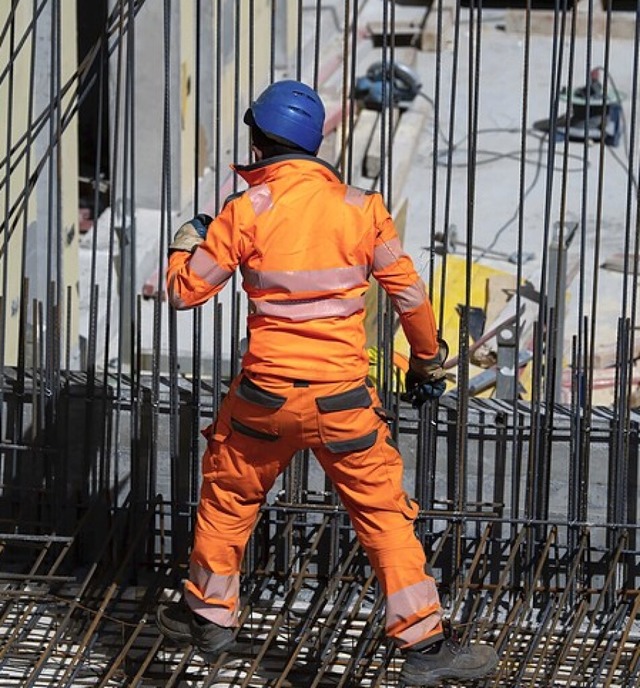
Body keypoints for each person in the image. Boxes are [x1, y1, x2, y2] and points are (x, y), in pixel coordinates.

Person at [156, 79, 498, 685]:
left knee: (231, 498)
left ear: (259, 144)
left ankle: (209, 614)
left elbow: (184, 291)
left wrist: (187, 241)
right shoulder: (361, 208)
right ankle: (423, 648)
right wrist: (426, 361)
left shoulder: (244, 211)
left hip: (264, 399)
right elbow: (411, 297)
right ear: (315, 146)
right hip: (343, 403)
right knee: (384, 517)